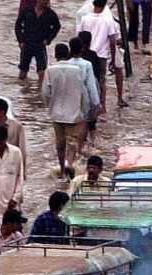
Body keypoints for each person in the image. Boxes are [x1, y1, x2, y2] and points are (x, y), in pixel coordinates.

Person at [42, 43, 98, 181]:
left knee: (60, 144)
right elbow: (83, 91)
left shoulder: (50, 70)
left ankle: (62, 169)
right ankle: (70, 164)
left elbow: (45, 93)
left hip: (56, 113)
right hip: (73, 113)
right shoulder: (76, 70)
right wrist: (85, 110)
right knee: (72, 143)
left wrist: (50, 106)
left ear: (55, 55)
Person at [77, 0, 118, 117]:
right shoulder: (108, 20)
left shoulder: (85, 18)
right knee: (101, 81)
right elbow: (112, 41)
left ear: (93, 5)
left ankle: (83, 106)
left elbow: (78, 36)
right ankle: (102, 107)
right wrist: (113, 59)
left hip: (85, 53)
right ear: (105, 5)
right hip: (101, 55)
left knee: (84, 80)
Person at [68, 36, 102, 163]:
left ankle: (71, 154)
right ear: (82, 49)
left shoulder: (67, 64)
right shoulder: (87, 65)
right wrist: (96, 103)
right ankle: (79, 149)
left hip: (69, 98)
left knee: (71, 127)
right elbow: (91, 85)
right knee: (83, 124)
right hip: (83, 99)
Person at [15, 0, 61, 83]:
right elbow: (18, 25)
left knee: (42, 72)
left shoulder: (50, 13)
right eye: (44, 0)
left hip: (40, 45)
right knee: (22, 72)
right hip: (27, 44)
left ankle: (40, 93)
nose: (46, 2)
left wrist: (48, 39)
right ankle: (23, 93)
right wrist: (20, 40)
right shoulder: (27, 11)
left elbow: (57, 27)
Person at [77, 31, 104, 150]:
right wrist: (99, 100)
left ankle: (80, 146)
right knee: (91, 122)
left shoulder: (72, 58)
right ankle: (93, 144)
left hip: (76, 95)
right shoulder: (93, 56)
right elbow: (98, 77)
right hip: (90, 91)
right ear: (90, 42)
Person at [0, 98, 28, 180]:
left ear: (2, 112)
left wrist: (22, 173)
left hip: (11, 167)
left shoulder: (17, 126)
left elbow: (22, 151)